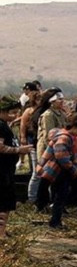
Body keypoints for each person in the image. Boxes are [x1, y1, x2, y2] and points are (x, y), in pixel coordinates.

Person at [36, 114, 77, 229]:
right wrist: (73, 170)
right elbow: (61, 157)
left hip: (57, 170)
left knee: (61, 195)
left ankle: (55, 218)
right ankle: (55, 222)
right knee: (62, 196)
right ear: (74, 127)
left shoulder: (60, 135)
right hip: (61, 171)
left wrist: (41, 164)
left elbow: (48, 152)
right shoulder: (64, 138)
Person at [0, 96, 34, 238]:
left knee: (7, 203)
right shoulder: (0, 126)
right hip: (1, 171)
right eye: (12, 113)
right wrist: (19, 150)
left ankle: (2, 231)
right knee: (2, 204)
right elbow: (0, 147)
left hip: (7, 170)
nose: (14, 116)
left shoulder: (5, 125)